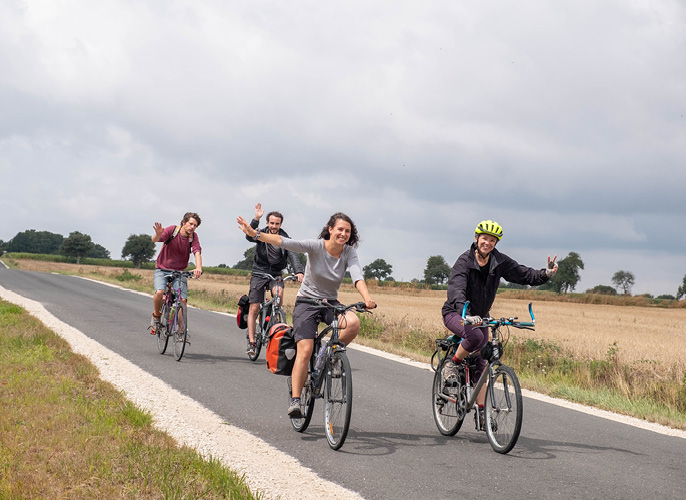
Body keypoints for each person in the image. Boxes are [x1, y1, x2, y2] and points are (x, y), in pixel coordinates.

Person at [237, 212, 376, 418]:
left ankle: (330, 354)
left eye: (347, 231)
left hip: (329, 302)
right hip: (307, 302)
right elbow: (284, 242)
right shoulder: (316, 246)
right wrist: (256, 234)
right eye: (340, 229)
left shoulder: (349, 253)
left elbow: (357, 276)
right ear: (330, 229)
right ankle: (295, 400)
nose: (343, 234)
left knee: (353, 322)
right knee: (306, 348)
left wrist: (367, 298)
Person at [441, 220, 557, 429]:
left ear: (495, 243)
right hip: (456, 312)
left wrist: (545, 274)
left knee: (481, 363)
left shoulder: (498, 261)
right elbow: (456, 288)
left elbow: (523, 273)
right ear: (476, 239)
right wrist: (463, 311)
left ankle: (482, 413)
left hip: (482, 316)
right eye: (484, 238)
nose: (487, 243)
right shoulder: (464, 261)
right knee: (475, 337)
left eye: (492, 240)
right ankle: (454, 363)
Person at [244, 203, 305, 356]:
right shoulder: (261, 234)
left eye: (277, 223)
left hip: (276, 273)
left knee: (279, 295)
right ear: (267, 223)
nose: (274, 226)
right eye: (271, 223)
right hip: (259, 272)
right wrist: (255, 219)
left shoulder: (284, 238)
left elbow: (293, 255)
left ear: (280, 224)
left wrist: (298, 271)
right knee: (254, 308)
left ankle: (272, 317)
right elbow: (249, 235)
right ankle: (252, 342)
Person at [149, 212, 203, 338]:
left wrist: (198, 268)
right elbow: (156, 240)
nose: (192, 227)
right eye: (190, 224)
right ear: (184, 223)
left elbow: (197, 252)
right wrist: (157, 234)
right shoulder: (173, 230)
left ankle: (181, 330)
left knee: (182, 300)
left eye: (195, 225)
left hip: (179, 272)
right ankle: (156, 316)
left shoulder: (193, 237)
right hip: (162, 269)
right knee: (160, 292)